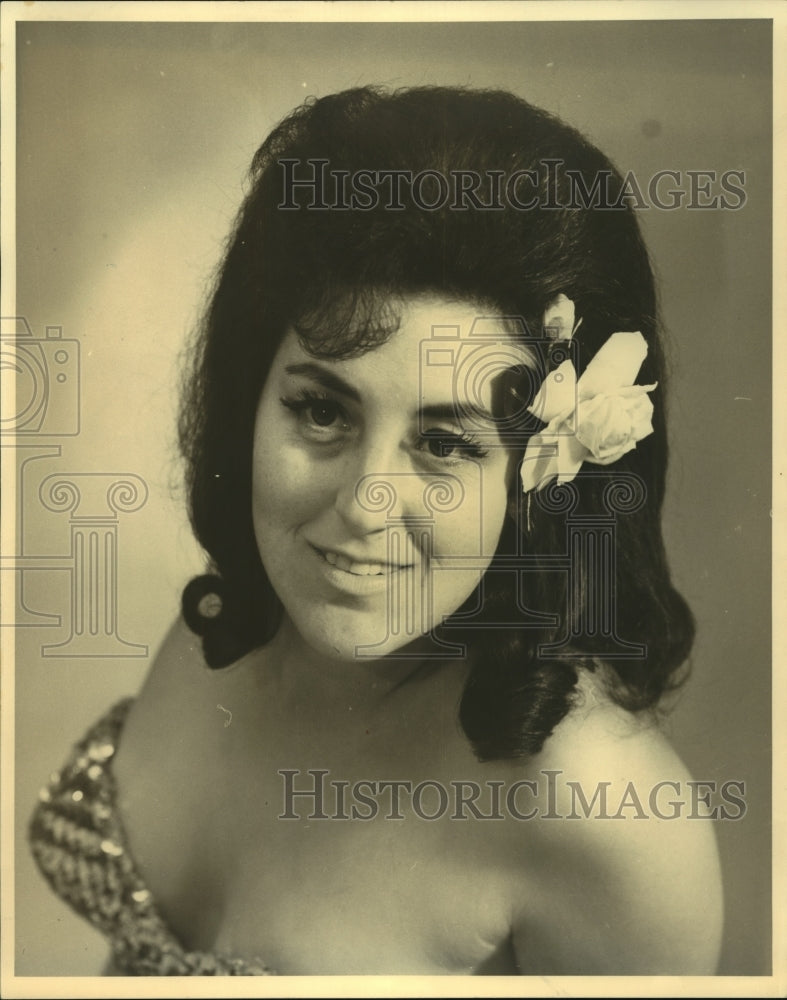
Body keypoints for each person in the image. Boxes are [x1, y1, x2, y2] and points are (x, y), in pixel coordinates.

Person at [29, 85, 723, 976]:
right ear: (250, 400)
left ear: (541, 481)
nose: (364, 504)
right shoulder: (228, 636)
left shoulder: (609, 818)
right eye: (320, 411)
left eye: (443, 443)